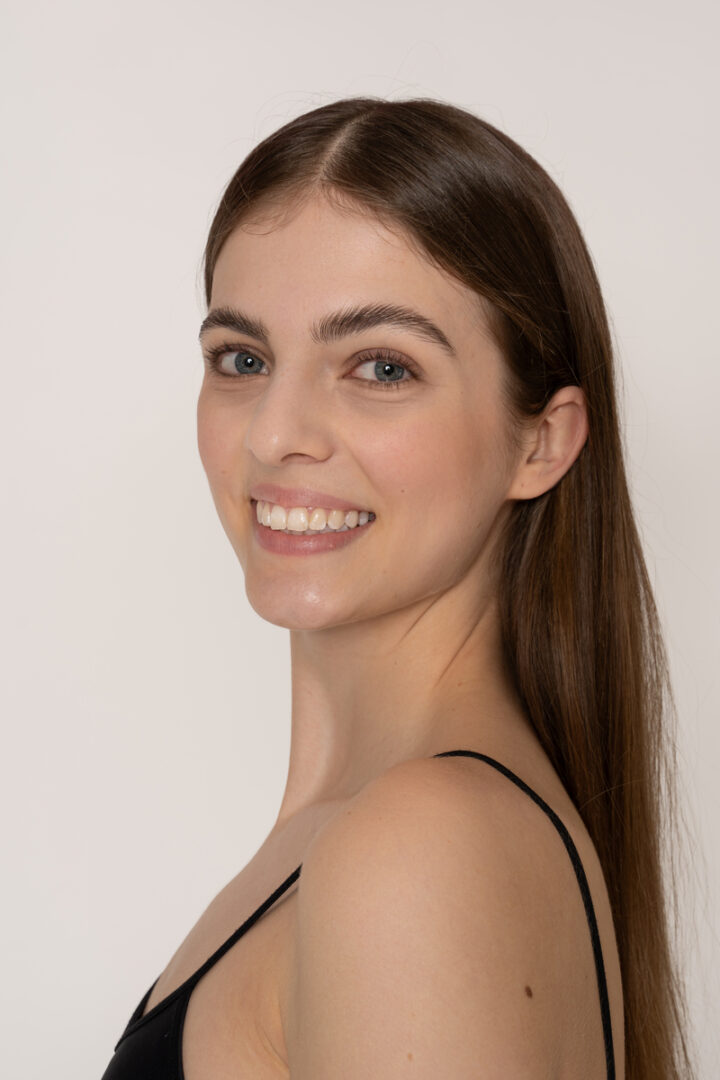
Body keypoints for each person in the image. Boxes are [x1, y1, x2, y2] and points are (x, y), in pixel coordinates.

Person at [101, 97, 694, 1079]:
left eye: (381, 367)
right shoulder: (371, 832)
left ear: (542, 442)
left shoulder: (416, 847)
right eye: (242, 359)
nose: (275, 434)